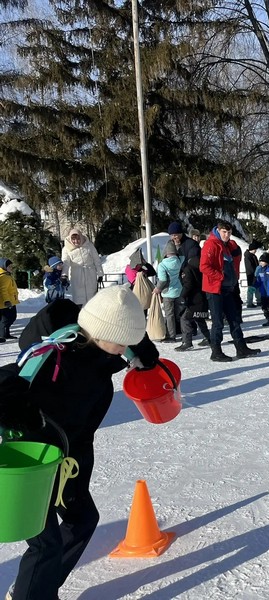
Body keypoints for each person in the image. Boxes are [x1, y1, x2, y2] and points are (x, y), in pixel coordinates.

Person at [0, 287, 159, 600]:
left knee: (83, 520)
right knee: (45, 544)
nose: (126, 348)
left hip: (70, 461)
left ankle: (38, 587)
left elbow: (122, 330)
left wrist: (144, 352)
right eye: (123, 341)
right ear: (103, 333)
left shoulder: (100, 351)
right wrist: (17, 408)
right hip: (35, 463)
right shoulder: (57, 355)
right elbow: (7, 381)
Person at [199, 220, 259, 361]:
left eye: (229, 232)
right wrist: (220, 276)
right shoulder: (211, 244)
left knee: (234, 319)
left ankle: (241, 347)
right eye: (224, 232)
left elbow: (234, 260)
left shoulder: (226, 245)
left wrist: (233, 278)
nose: (227, 235)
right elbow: (204, 266)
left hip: (227, 288)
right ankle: (216, 351)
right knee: (218, 322)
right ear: (218, 231)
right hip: (215, 289)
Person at [61, 228, 104, 306]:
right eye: (73, 239)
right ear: (70, 239)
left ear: (81, 237)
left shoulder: (89, 246)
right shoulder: (66, 249)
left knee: (92, 296)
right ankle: (80, 312)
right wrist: (64, 275)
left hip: (90, 274)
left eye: (78, 239)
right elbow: (65, 263)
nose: (76, 241)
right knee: (79, 298)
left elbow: (96, 260)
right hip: (77, 276)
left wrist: (100, 274)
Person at [155, 241, 184, 342]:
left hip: (168, 293)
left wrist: (157, 289)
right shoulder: (179, 261)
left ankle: (172, 335)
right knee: (179, 313)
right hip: (179, 290)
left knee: (169, 315)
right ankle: (181, 331)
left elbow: (163, 280)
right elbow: (182, 256)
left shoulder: (162, 265)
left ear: (166, 253)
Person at [0, 258, 19, 343]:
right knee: (7, 319)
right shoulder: (4, 277)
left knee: (11, 317)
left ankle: (6, 333)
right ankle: (3, 334)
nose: (11, 268)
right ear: (3, 267)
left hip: (11, 300)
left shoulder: (7, 275)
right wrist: (7, 301)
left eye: (11, 266)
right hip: (6, 303)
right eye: (9, 266)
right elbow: (3, 290)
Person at [244, 241, 261, 308]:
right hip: (251, 275)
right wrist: (254, 274)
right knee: (251, 289)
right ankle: (249, 303)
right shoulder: (248, 256)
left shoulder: (253, 256)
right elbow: (249, 267)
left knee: (257, 288)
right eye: (255, 249)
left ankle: (259, 301)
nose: (256, 251)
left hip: (255, 274)